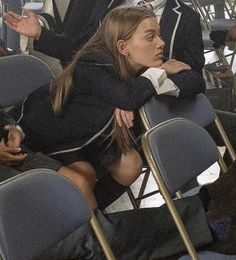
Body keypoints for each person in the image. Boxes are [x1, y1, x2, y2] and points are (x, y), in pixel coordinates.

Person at [9, 6, 205, 210]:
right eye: (151, 37)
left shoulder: (143, 64)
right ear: (123, 47)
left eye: (159, 35)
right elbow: (127, 97)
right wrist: (142, 86)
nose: (161, 43)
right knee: (84, 177)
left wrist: (145, 84)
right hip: (39, 138)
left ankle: (88, 217)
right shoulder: (92, 63)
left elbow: (195, 80)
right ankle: (88, 224)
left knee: (130, 165)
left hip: (83, 137)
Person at [4, 0, 205, 73]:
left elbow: (192, 71)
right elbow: (79, 50)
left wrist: (157, 74)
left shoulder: (187, 18)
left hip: (151, 103)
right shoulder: (105, 5)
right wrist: (40, 34)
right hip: (99, 94)